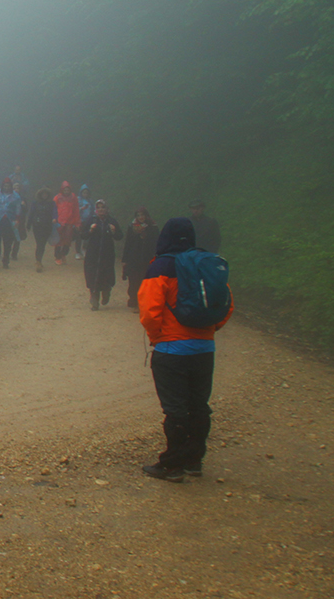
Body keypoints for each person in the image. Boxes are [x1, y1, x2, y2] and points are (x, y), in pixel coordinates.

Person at [138, 218, 234, 481]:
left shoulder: (161, 266)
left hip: (171, 350)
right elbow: (226, 304)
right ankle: (194, 460)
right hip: (205, 349)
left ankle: (172, 465)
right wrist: (209, 331)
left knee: (176, 409)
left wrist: (158, 336)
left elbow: (149, 311)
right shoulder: (205, 264)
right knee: (199, 406)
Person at [81, 199, 124, 310]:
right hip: (92, 254)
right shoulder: (91, 220)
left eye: (103, 207)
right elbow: (82, 235)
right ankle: (94, 300)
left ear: (107, 209)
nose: (101, 210)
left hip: (107, 254)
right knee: (92, 275)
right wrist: (90, 230)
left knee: (106, 275)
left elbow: (120, 236)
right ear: (95, 209)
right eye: (98, 207)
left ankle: (106, 291)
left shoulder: (112, 221)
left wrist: (114, 231)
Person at [121, 207, 160, 309]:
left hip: (148, 258)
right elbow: (128, 243)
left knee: (145, 281)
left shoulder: (153, 226)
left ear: (146, 215)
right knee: (134, 281)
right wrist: (125, 260)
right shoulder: (132, 226)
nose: (141, 217)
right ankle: (134, 302)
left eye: (142, 215)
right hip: (134, 258)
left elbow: (156, 242)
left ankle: (144, 302)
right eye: (138, 215)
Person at [53, 182, 81, 265]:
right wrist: (53, 219)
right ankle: (57, 257)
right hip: (59, 222)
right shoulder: (57, 197)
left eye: (68, 189)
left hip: (70, 222)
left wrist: (77, 223)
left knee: (67, 241)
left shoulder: (73, 198)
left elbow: (76, 211)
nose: (66, 191)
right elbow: (53, 209)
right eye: (65, 189)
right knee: (58, 240)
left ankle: (63, 254)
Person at [28, 188, 54, 272]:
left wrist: (55, 219)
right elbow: (31, 213)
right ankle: (38, 261)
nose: (44, 196)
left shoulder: (51, 203)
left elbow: (55, 213)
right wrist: (28, 224)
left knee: (42, 244)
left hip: (47, 226)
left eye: (46, 194)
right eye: (43, 194)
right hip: (37, 225)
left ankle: (39, 260)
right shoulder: (35, 203)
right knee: (39, 243)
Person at [74, 185, 94, 260]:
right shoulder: (78, 200)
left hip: (88, 221)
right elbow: (74, 210)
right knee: (78, 236)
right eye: (84, 192)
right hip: (79, 221)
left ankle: (84, 249)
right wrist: (82, 208)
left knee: (87, 236)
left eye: (87, 193)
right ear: (81, 192)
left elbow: (93, 210)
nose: (85, 194)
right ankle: (77, 252)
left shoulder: (91, 201)